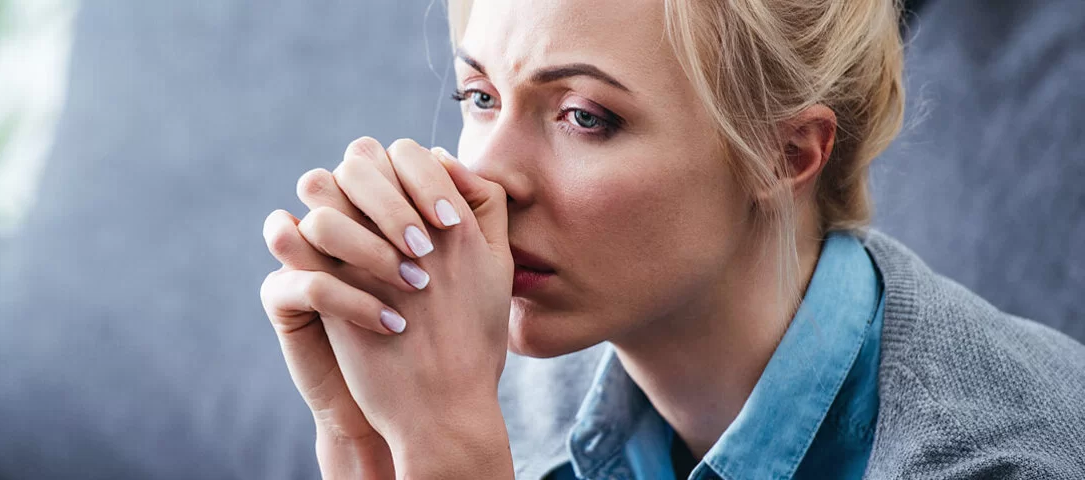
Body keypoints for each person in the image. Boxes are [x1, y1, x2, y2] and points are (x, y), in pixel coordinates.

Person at [258, 0, 1085, 478]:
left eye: (585, 116)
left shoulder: (1002, 458)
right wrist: (365, 443)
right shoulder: (474, 382)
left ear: (785, 153)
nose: (490, 180)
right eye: (479, 98)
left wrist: (448, 453)